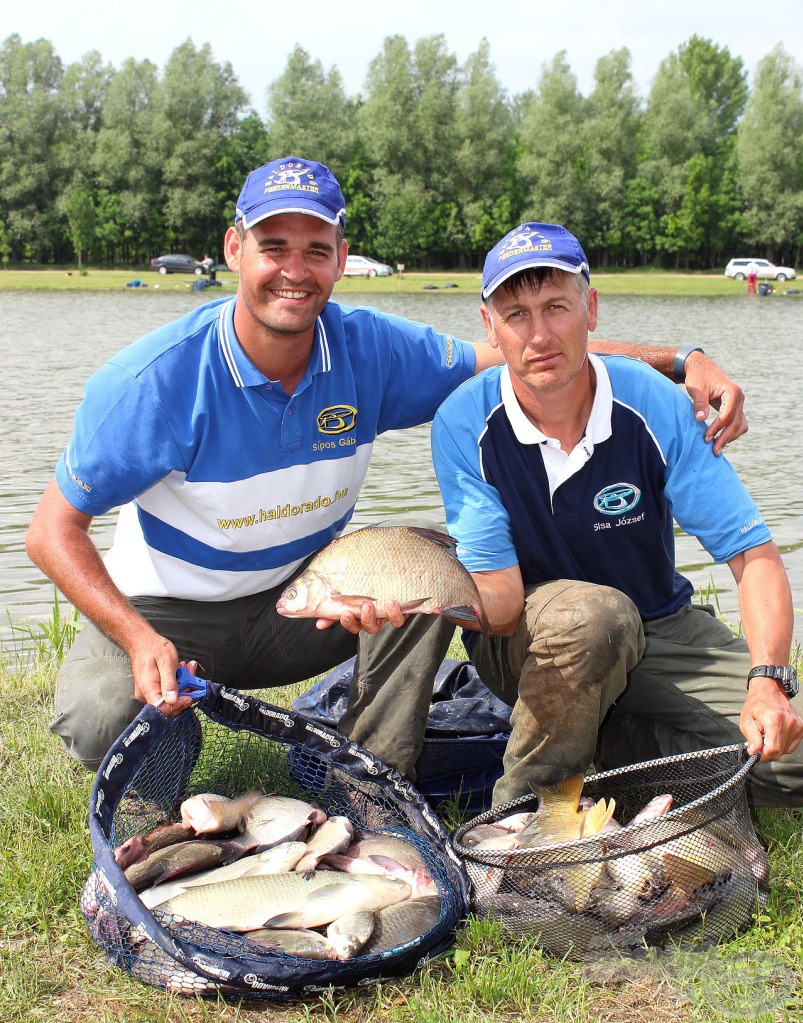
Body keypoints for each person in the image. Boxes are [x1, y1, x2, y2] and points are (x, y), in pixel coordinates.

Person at [26, 161, 746, 778]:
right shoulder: (152, 381)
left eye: (317, 249)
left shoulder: (369, 351)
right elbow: (52, 531)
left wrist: (682, 360)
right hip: (167, 610)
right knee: (99, 719)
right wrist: (137, 636)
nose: (295, 271)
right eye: (273, 247)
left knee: (420, 563)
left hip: (307, 598)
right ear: (234, 249)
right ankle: (165, 735)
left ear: (341, 258)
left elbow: (529, 349)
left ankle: (370, 778)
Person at [431, 222, 803, 808]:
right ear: (490, 327)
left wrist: (770, 682)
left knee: (792, 760)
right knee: (597, 617)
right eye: (516, 314)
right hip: (534, 639)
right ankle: (524, 818)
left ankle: (618, 747)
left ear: (592, 308)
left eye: (557, 306)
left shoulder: (653, 402)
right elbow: (501, 611)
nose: (539, 334)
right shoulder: (462, 422)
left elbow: (753, 555)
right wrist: (426, 599)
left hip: (660, 626)